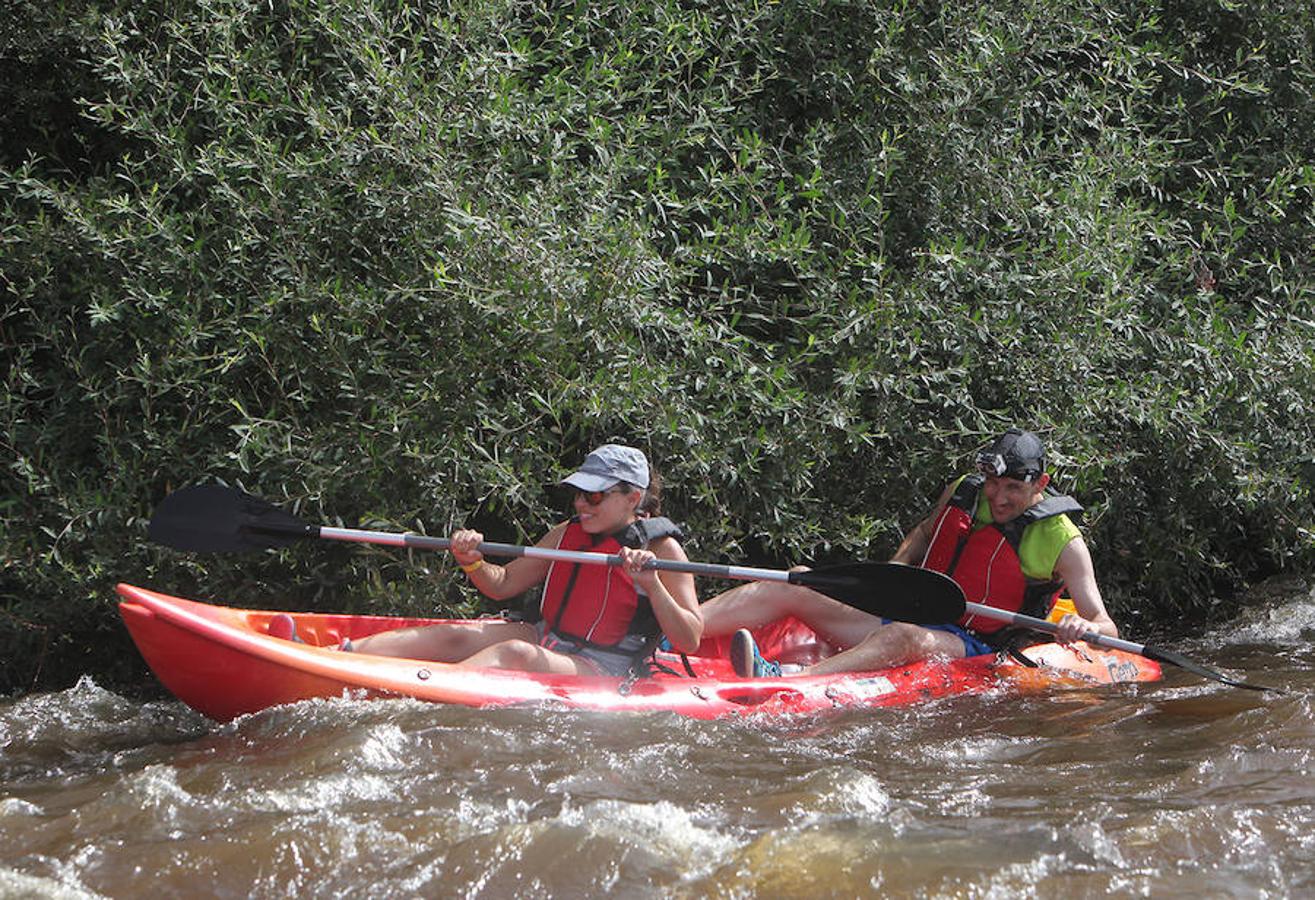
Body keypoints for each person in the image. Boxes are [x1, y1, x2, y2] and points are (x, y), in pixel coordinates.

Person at [701, 428, 1119, 678]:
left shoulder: (1063, 540)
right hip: (915, 612)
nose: (999, 497)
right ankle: (680, 628)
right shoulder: (965, 492)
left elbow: (1107, 626)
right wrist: (891, 578)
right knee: (798, 578)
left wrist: (1083, 626)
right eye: (994, 484)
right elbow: (924, 533)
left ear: (1039, 484)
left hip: (977, 645)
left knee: (901, 636)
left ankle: (789, 679)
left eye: (1013, 488)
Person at [315, 445, 703, 676]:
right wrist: (471, 561)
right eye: (580, 494)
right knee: (459, 633)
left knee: (514, 654)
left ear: (632, 499)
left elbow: (689, 638)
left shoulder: (664, 551)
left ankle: (422, 693)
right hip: (548, 636)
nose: (581, 504)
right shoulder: (569, 531)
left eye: (594, 496)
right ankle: (330, 658)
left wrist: (652, 584)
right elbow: (501, 585)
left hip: (603, 667)